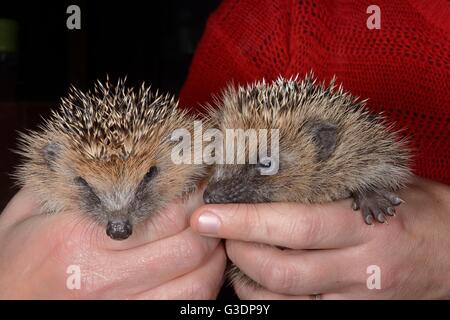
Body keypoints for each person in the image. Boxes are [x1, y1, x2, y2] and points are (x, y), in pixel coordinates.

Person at [182, 0, 450, 299]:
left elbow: (382, 169)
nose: (216, 191)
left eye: (264, 164)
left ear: (323, 145)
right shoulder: (266, 16)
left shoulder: (353, 156)